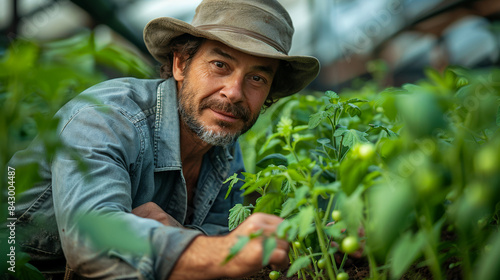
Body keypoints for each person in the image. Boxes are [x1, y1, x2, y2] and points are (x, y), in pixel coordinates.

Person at [8, 0, 319, 279]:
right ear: (180, 64)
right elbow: (92, 243)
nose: (234, 92)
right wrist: (225, 253)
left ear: (269, 96)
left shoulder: (224, 151)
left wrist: (317, 238)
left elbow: (216, 235)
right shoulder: (106, 119)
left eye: (256, 78)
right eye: (220, 65)